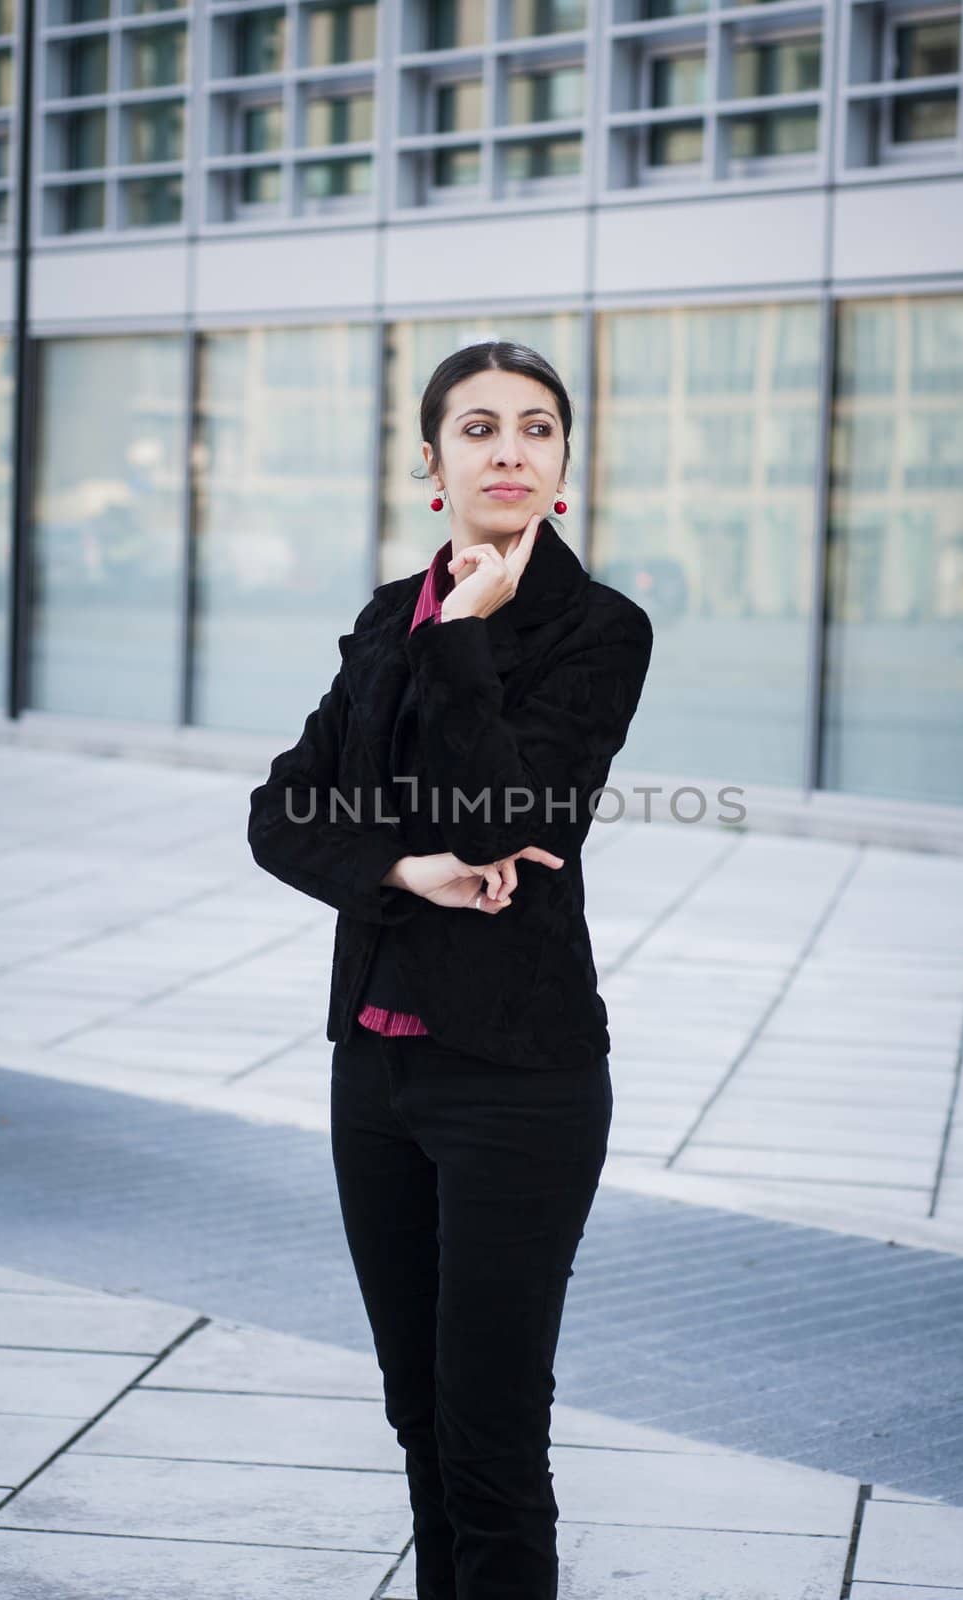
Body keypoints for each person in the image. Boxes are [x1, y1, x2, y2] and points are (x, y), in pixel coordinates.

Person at [247, 339, 653, 1599]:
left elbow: (509, 816)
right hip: (374, 1072)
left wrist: (466, 634)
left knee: (486, 1436)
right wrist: (401, 871)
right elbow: (278, 813)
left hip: (516, 1078)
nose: (510, 451)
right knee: (417, 1414)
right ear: (432, 462)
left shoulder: (596, 628)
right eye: (477, 428)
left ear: (565, 465)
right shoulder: (385, 616)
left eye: (536, 428)